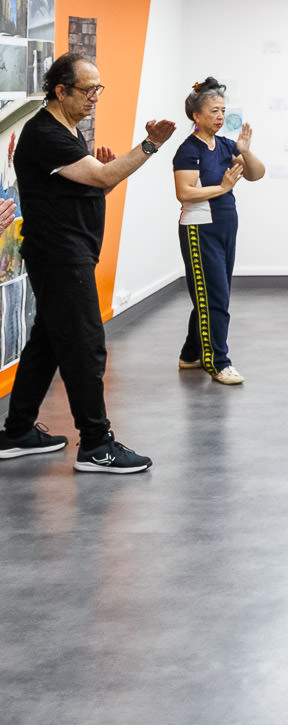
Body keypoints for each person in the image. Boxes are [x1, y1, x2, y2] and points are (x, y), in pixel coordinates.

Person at [0, 53, 175, 473]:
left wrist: (107, 173)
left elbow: (88, 190)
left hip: (65, 253)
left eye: (99, 88)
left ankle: (18, 430)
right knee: (84, 346)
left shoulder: (69, 130)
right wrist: (148, 145)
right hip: (60, 258)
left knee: (47, 344)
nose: (96, 97)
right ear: (60, 91)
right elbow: (102, 178)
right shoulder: (45, 134)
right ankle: (96, 444)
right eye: (88, 89)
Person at [173, 77, 265, 385]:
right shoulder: (188, 151)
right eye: (213, 111)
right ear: (196, 116)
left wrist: (245, 151)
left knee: (212, 294)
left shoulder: (226, 145)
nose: (220, 116)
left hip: (226, 226)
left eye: (223, 110)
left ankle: (190, 354)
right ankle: (218, 362)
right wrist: (222, 187)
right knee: (216, 298)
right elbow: (184, 193)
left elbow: (256, 174)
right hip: (200, 230)